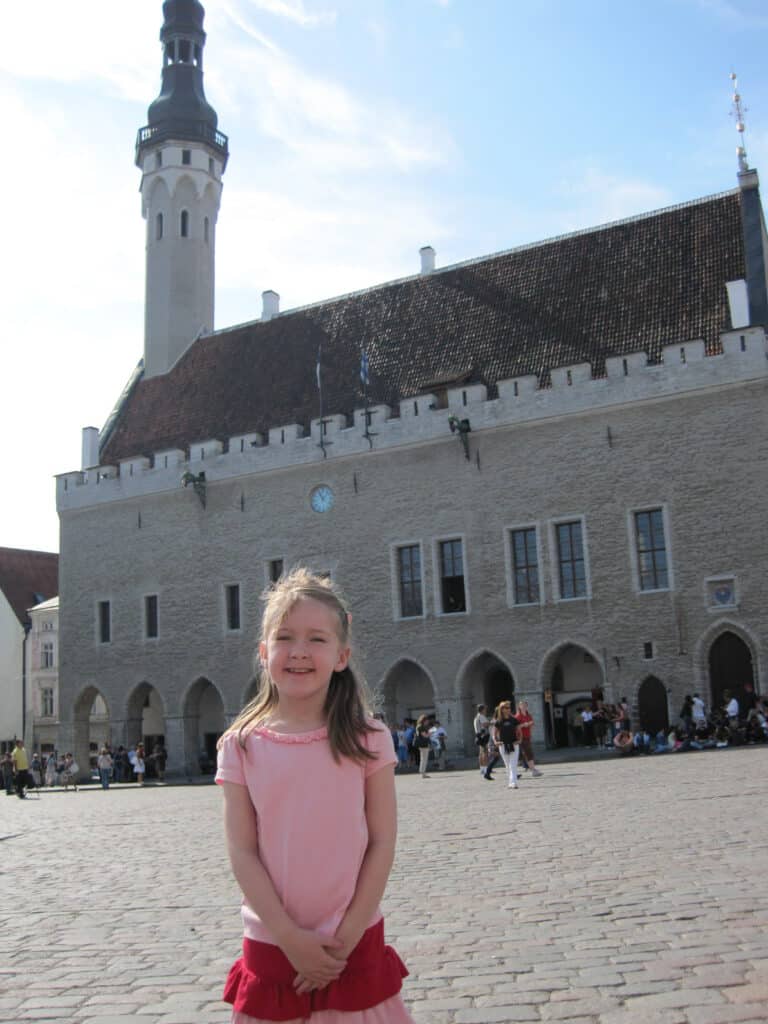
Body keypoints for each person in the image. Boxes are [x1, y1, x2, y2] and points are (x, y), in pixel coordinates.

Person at [215, 568, 414, 1024]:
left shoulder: (370, 738)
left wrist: (340, 945)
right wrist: (290, 938)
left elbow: (382, 842)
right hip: (273, 946)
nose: (299, 651)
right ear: (264, 653)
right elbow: (242, 852)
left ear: (341, 655)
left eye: (317, 639)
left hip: (353, 943)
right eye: (285, 637)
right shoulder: (241, 745)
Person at [487, 701, 521, 788]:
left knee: (513, 763)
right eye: (505, 708)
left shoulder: (514, 720)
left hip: (514, 743)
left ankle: (514, 782)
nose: (508, 709)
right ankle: (510, 782)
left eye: (509, 708)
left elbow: (519, 731)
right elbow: (494, 733)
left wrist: (519, 740)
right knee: (507, 764)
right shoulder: (499, 721)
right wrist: (495, 741)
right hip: (503, 745)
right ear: (501, 710)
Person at [515, 701, 542, 777]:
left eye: (525, 705)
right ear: (519, 706)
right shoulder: (517, 716)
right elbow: (516, 727)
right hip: (521, 737)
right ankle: (533, 770)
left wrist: (530, 725)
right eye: (522, 705)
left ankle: (533, 770)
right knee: (526, 753)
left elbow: (532, 723)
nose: (524, 706)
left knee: (527, 753)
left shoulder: (528, 715)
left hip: (527, 736)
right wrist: (524, 724)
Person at [473, 704, 490, 773]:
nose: (486, 710)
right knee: (485, 752)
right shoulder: (481, 716)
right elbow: (485, 724)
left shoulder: (476, 717)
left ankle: (482, 768)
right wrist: (491, 722)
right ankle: (486, 769)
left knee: (481, 752)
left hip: (478, 736)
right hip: (483, 736)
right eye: (485, 709)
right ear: (482, 710)